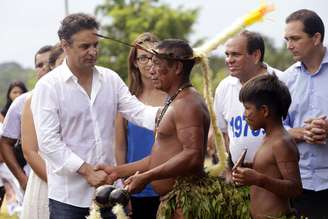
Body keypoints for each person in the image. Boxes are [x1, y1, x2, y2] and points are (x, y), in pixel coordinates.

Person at [30, 13, 158, 219]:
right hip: (68, 199)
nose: (93, 51)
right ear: (65, 45)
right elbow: (48, 142)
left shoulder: (110, 79)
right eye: (85, 46)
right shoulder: (48, 86)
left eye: (96, 45)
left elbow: (138, 112)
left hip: (110, 195)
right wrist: (86, 170)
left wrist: (173, 113)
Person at [98, 39, 218, 218]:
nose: (151, 70)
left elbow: (192, 156)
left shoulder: (187, 103)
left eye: (157, 64)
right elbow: (163, 156)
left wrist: (146, 177)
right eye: (149, 63)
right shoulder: (176, 100)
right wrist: (119, 171)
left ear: (177, 67)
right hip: (172, 202)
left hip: (184, 204)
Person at [211, 30, 282, 180]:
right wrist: (228, 169)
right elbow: (222, 133)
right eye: (227, 54)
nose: (229, 60)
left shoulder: (282, 82)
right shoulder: (224, 87)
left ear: (256, 55)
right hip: (239, 178)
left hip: (277, 179)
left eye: (236, 54)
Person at [232, 73, 302, 218]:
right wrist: (249, 169)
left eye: (247, 108)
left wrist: (258, 179)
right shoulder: (268, 137)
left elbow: (295, 188)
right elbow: (271, 169)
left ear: (264, 111)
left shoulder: (281, 142)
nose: (244, 115)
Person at [281, 9, 328, 218]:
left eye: (295, 39)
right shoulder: (287, 79)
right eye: (286, 39)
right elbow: (275, 128)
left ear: (316, 38)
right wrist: (300, 133)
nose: (289, 45)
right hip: (301, 183)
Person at [115, 33, 165, 219]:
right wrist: (123, 188)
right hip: (136, 188)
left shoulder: (173, 96)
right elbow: (120, 147)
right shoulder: (126, 100)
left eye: (154, 57)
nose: (149, 62)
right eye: (143, 57)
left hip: (168, 186)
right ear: (135, 62)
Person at [21, 43, 65, 219]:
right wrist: (58, 183)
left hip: (84, 179)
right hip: (46, 178)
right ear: (53, 66)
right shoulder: (32, 100)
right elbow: (29, 151)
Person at [0, 45, 52, 191]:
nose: (44, 68)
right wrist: (22, 178)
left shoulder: (74, 96)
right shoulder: (22, 102)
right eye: (39, 65)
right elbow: (5, 143)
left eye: (49, 63)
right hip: (35, 178)